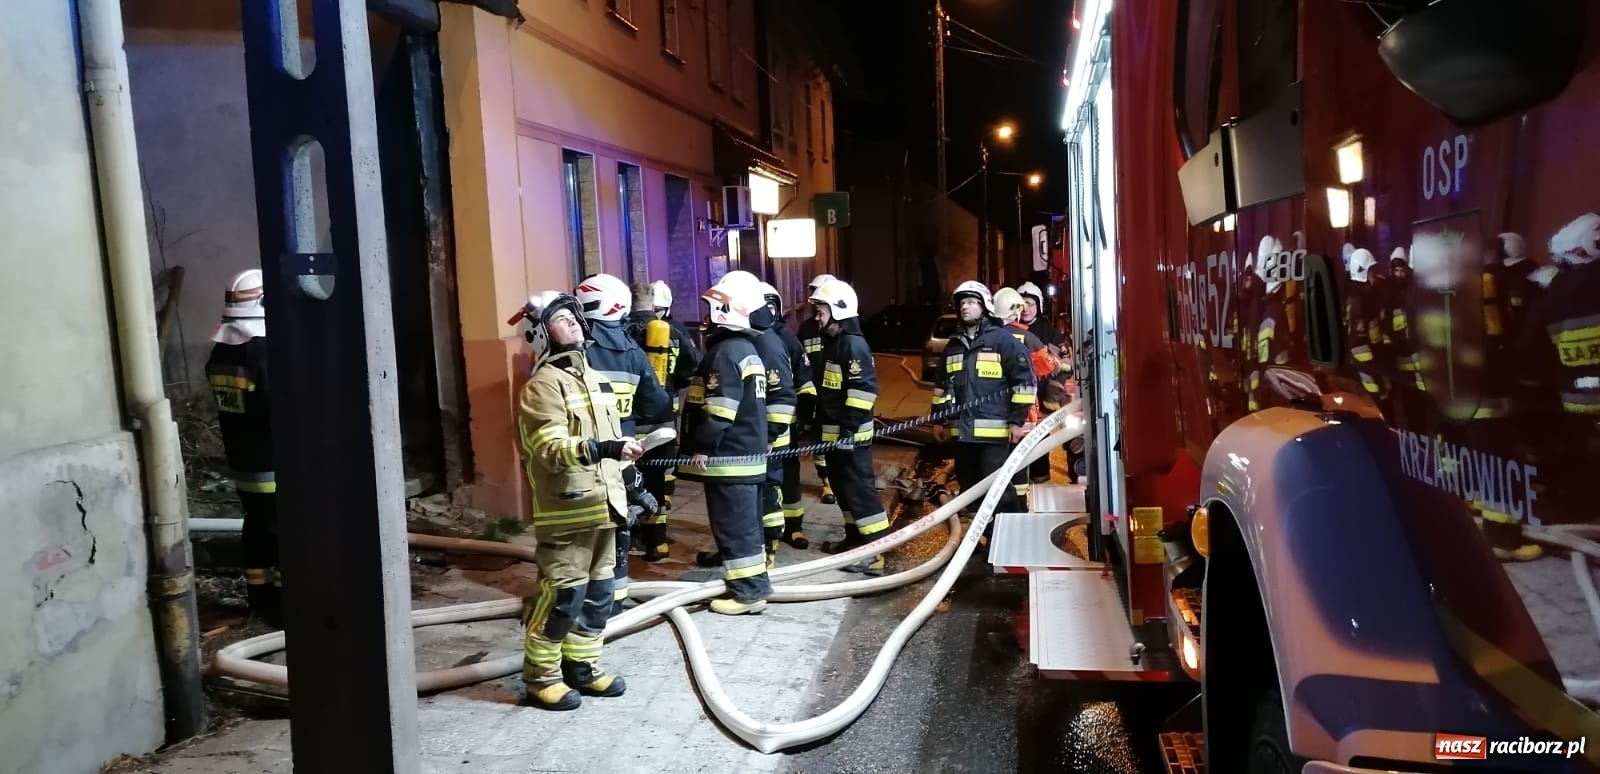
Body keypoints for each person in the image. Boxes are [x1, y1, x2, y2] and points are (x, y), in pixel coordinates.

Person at [510, 291, 642, 711]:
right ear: (539, 333)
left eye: (573, 316)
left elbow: (612, 444)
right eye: (560, 318)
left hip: (606, 509)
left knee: (600, 595)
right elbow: (548, 450)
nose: (572, 322)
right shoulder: (541, 386)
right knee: (564, 597)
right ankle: (541, 677)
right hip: (568, 513)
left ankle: (582, 667)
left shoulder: (595, 378)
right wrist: (603, 449)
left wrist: (634, 481)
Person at [575, 273, 673, 611]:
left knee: (581, 532)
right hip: (622, 459)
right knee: (616, 530)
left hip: (580, 456)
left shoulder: (574, 347)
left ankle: (581, 601)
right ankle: (613, 602)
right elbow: (658, 404)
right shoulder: (632, 352)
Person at [679, 274, 774, 615]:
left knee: (735, 528)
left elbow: (720, 411)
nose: (706, 316)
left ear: (726, 308)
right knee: (746, 527)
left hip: (729, 458)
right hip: (746, 456)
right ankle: (753, 586)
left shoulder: (725, 352)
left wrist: (701, 445)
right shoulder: (746, 349)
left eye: (711, 307)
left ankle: (748, 594)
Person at [933, 281, 1037, 546]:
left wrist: (1016, 421)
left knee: (999, 490)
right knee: (970, 490)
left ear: (984, 307)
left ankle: (1013, 540)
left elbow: (1025, 382)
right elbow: (942, 386)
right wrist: (938, 418)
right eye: (961, 303)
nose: (964, 307)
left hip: (993, 434)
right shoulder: (954, 346)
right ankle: (988, 537)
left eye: (970, 302)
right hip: (962, 434)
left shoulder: (1003, 341)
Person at [205, 269, 281, 626]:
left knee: (256, 526)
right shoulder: (264, 354)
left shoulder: (221, 351)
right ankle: (286, 604)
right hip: (276, 462)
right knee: (285, 532)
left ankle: (260, 596)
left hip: (243, 463)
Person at [809, 278, 889, 575]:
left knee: (860, 492)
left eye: (821, 310)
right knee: (844, 491)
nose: (817, 316)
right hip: (834, 436)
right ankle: (854, 541)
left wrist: (847, 430)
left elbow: (863, 391)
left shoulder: (852, 344)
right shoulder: (834, 343)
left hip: (850, 437)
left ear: (839, 310)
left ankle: (876, 552)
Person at [625, 281, 694, 561]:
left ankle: (629, 538)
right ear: (654, 305)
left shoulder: (621, 333)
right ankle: (658, 542)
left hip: (628, 423)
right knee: (657, 481)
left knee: (629, 481)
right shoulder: (674, 333)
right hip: (663, 422)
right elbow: (693, 367)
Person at [766, 283, 815, 548]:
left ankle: (793, 526)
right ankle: (769, 531)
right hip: (760, 428)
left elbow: (804, 381)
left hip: (786, 425)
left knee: (789, 476)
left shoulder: (787, 340)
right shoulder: (751, 340)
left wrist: (806, 416)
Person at [796, 273, 838, 506]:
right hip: (817, 395)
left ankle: (840, 479)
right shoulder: (806, 329)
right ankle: (827, 485)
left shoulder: (842, 329)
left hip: (837, 396)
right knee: (820, 442)